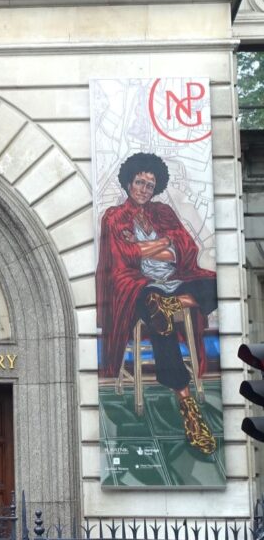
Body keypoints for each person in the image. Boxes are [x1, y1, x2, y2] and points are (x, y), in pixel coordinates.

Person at [96, 152, 218, 454]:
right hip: (136, 287)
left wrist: (146, 248)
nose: (144, 189)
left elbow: (185, 248)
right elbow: (122, 257)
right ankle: (187, 404)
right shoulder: (113, 216)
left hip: (175, 281)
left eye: (150, 185)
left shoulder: (163, 212)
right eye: (139, 182)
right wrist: (160, 245)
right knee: (155, 307)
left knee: (215, 283)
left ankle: (170, 306)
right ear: (128, 182)